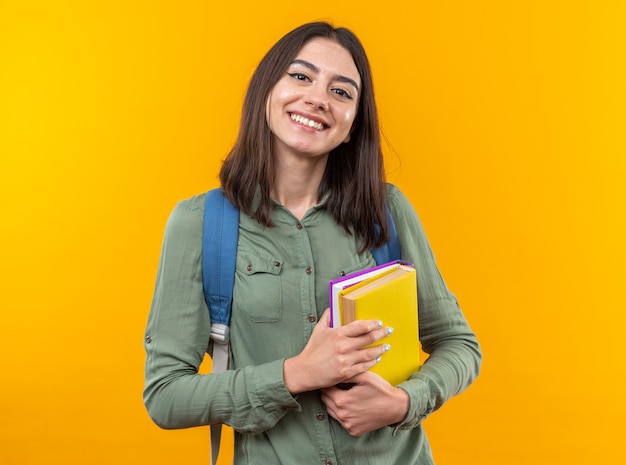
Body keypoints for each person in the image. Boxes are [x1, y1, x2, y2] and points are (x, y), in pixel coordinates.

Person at [144, 21, 482, 464]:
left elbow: (459, 344)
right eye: (300, 76)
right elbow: (165, 396)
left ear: (352, 125)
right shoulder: (200, 224)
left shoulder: (386, 210)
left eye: (342, 92)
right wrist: (296, 374)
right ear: (267, 90)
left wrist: (405, 402)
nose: (318, 99)